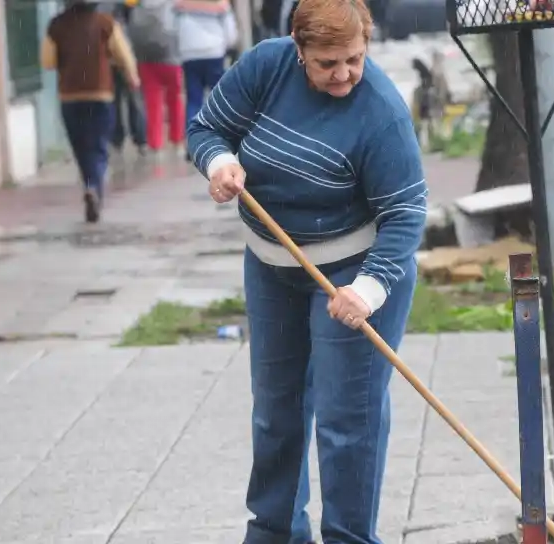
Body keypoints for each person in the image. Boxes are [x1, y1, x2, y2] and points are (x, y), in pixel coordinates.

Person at [186, 0, 428, 540]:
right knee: (277, 412)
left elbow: (406, 212)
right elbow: (205, 128)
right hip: (272, 267)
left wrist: (367, 289)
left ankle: (349, 537)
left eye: (354, 59)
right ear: (299, 51)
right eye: (328, 63)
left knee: (348, 423)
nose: (344, 74)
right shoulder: (265, 67)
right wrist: (219, 162)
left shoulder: (381, 111)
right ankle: (274, 533)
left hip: (356, 270)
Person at [41, 0, 140, 223]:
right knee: (98, 145)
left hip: (70, 96)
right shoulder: (105, 23)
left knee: (81, 147)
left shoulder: (56, 25)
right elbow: (124, 55)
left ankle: (89, 186)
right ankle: (94, 187)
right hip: (100, 94)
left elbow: (47, 62)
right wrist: (131, 76)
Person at [129, 0, 186, 157]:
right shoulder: (172, 4)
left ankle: (156, 145)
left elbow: (131, 32)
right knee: (175, 101)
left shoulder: (138, 5)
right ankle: (177, 141)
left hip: (145, 60)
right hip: (171, 59)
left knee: (152, 103)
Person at [176, 0, 237, 141]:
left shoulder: (182, 3)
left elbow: (173, 26)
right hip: (214, 51)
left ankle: (193, 141)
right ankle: (224, 136)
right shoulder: (220, 2)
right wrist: (227, 45)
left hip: (189, 52)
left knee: (193, 99)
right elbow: (230, 31)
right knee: (219, 97)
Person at [104, 1, 149, 157]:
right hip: (124, 54)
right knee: (132, 100)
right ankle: (138, 140)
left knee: (118, 100)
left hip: (113, 55)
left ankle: (121, 140)